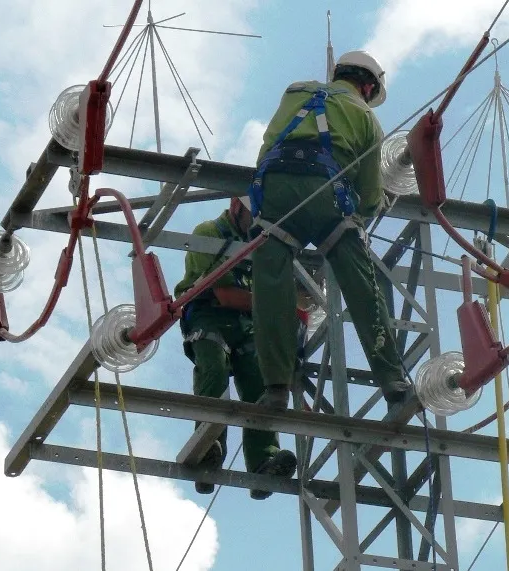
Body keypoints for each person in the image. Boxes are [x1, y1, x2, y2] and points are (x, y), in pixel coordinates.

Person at [248, 50, 412, 411]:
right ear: (368, 86)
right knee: (362, 286)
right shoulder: (366, 118)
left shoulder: (295, 92)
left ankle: (275, 387)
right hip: (327, 196)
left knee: (270, 284)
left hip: (276, 190)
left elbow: (267, 145)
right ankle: (392, 380)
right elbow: (368, 197)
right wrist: (377, 203)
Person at [173, 195, 303, 498]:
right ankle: (208, 448)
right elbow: (226, 295)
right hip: (209, 315)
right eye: (253, 216)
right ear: (235, 207)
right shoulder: (209, 233)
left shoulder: (260, 241)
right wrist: (282, 305)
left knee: (260, 380)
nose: (257, 224)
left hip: (246, 321)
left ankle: (264, 459)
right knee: (214, 369)